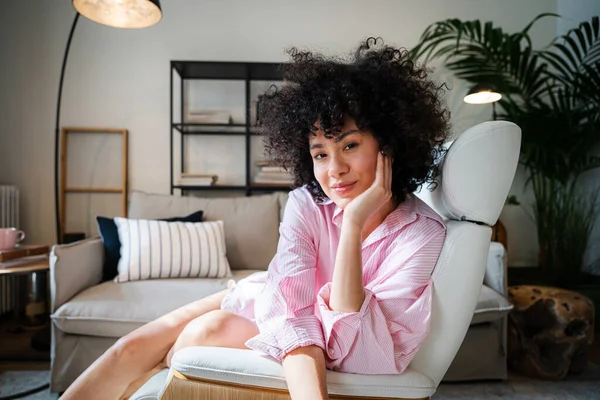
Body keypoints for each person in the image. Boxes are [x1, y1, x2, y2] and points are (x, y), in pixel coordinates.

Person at [60, 37, 451, 400]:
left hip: (284, 321)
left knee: (199, 334)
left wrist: (350, 225)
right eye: (320, 153)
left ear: (390, 145)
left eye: (350, 145)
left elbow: (362, 353)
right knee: (128, 348)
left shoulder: (422, 233)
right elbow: (290, 311)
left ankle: (153, 380)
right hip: (262, 295)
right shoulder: (306, 202)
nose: (335, 170)